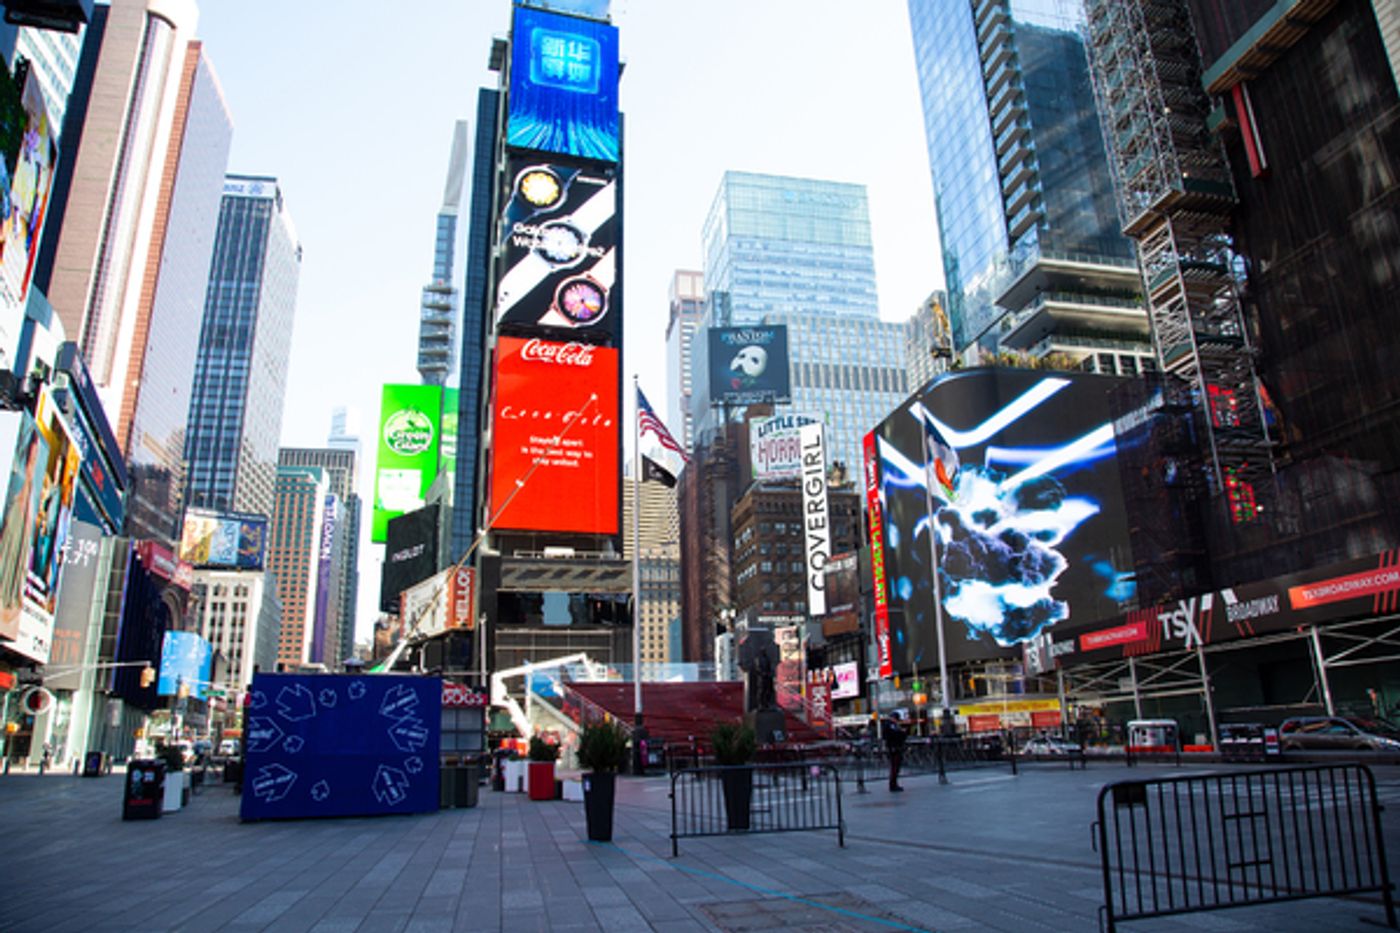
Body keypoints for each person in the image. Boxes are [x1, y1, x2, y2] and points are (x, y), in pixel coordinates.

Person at [885, 710, 908, 792]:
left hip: (895, 747)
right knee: (895, 767)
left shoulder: (892, 725)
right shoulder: (890, 725)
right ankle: (893, 785)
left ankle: (894, 784)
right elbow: (895, 735)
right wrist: (902, 732)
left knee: (895, 767)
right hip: (894, 748)